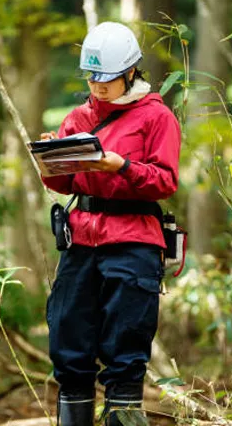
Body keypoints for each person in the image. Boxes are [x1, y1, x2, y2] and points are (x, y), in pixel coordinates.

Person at [39, 22, 181, 426]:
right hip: (81, 238)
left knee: (126, 340)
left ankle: (122, 415)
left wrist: (122, 166)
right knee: (68, 334)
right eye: (92, 78)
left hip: (133, 239)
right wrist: (51, 158)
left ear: (131, 72)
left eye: (107, 80)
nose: (98, 87)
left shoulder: (157, 118)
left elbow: (165, 181)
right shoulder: (78, 118)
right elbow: (62, 182)